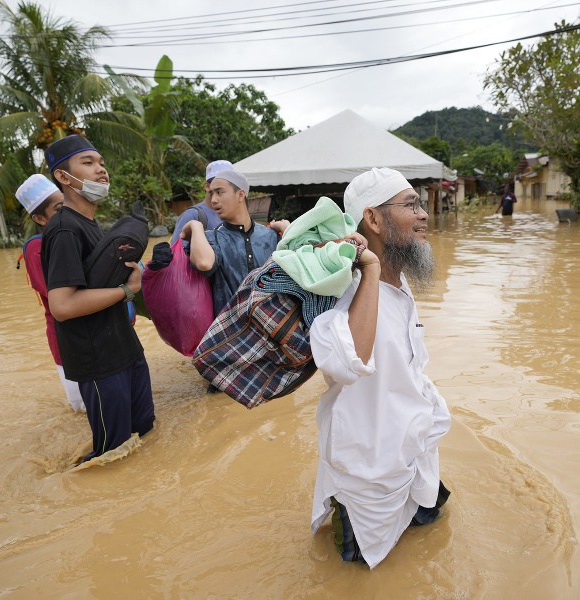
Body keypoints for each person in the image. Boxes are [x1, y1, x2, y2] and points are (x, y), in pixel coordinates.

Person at [308, 167, 452, 569]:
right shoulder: (344, 290)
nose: (424, 214)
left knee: (434, 526)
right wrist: (368, 266)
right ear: (372, 219)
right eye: (411, 205)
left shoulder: (399, 284)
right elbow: (350, 363)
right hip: (366, 468)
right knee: (357, 575)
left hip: (412, 448)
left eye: (420, 204)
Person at [41, 135, 155, 461]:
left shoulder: (91, 224)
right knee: (112, 455)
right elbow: (62, 306)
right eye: (88, 163)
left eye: (102, 163)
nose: (101, 170)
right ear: (63, 177)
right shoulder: (64, 229)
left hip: (125, 348)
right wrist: (129, 290)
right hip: (99, 361)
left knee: (143, 431)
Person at [15, 174, 85, 412]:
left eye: (66, 205)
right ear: (38, 218)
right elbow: (61, 295)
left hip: (92, 333)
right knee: (84, 408)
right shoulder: (37, 248)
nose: (66, 213)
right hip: (67, 338)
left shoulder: (74, 235)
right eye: (58, 209)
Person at [181, 169, 289, 316]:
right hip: (231, 332)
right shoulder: (213, 237)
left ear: (240, 195)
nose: (213, 200)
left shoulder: (271, 236)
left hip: (270, 326)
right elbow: (204, 264)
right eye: (211, 194)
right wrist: (196, 225)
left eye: (219, 192)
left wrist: (288, 231)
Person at [170, 159, 232, 242]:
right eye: (220, 184)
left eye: (230, 184)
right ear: (207, 186)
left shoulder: (230, 215)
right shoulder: (193, 215)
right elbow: (178, 252)